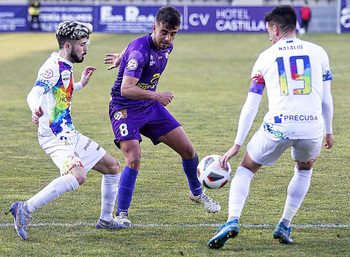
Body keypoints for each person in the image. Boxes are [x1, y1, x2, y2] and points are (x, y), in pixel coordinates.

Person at [208, 5, 334, 249]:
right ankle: (284, 225)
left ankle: (232, 220)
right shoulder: (319, 52)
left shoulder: (266, 56)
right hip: (312, 127)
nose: (269, 35)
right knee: (304, 169)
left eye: (269, 30)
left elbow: (251, 104)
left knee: (246, 167)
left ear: (275, 28)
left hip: (278, 126)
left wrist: (236, 145)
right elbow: (326, 99)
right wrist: (328, 131)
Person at [6, 21, 128, 241]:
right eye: (82, 44)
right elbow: (34, 93)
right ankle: (24, 208)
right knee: (78, 175)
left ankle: (106, 220)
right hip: (54, 136)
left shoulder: (65, 66)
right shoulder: (51, 67)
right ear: (69, 46)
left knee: (112, 166)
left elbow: (59, 92)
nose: (86, 48)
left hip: (69, 133)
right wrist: (35, 109)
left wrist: (80, 84)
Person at [104, 6, 220, 226]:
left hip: (148, 105)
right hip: (125, 109)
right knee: (134, 158)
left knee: (188, 150)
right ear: (154, 28)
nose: (168, 38)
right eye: (164, 32)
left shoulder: (166, 46)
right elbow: (126, 89)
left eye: (173, 33)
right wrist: (156, 95)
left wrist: (121, 56)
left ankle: (196, 193)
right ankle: (121, 214)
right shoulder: (139, 51)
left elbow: (133, 48)